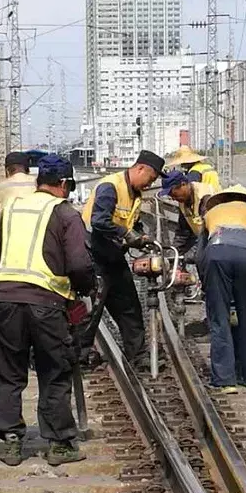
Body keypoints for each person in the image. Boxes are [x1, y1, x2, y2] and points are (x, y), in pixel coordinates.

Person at [0, 154, 95, 467]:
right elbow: (79, 263)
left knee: (6, 370)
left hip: (5, 301)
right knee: (54, 371)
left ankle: (11, 441)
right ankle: (59, 444)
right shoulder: (65, 213)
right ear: (62, 184)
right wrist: (85, 288)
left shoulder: (12, 207)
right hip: (46, 304)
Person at [79, 150, 165, 368]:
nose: (150, 183)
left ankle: (138, 354)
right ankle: (78, 355)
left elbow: (127, 221)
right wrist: (128, 235)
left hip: (112, 255)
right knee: (92, 309)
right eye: (151, 178)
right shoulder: (111, 186)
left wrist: (138, 234)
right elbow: (99, 221)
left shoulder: (134, 193)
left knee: (129, 306)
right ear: (140, 168)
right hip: (93, 255)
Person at [200, 185, 246, 394]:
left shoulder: (211, 213)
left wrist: (207, 286)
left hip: (216, 253)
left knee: (219, 318)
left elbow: (200, 255)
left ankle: (225, 380)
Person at [159, 169, 219, 260]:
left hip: (220, 241)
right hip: (206, 240)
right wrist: (173, 253)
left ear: (183, 184)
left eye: (174, 194)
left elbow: (210, 232)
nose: (174, 199)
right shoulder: (183, 199)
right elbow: (183, 231)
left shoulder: (205, 197)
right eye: (171, 196)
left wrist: (194, 251)